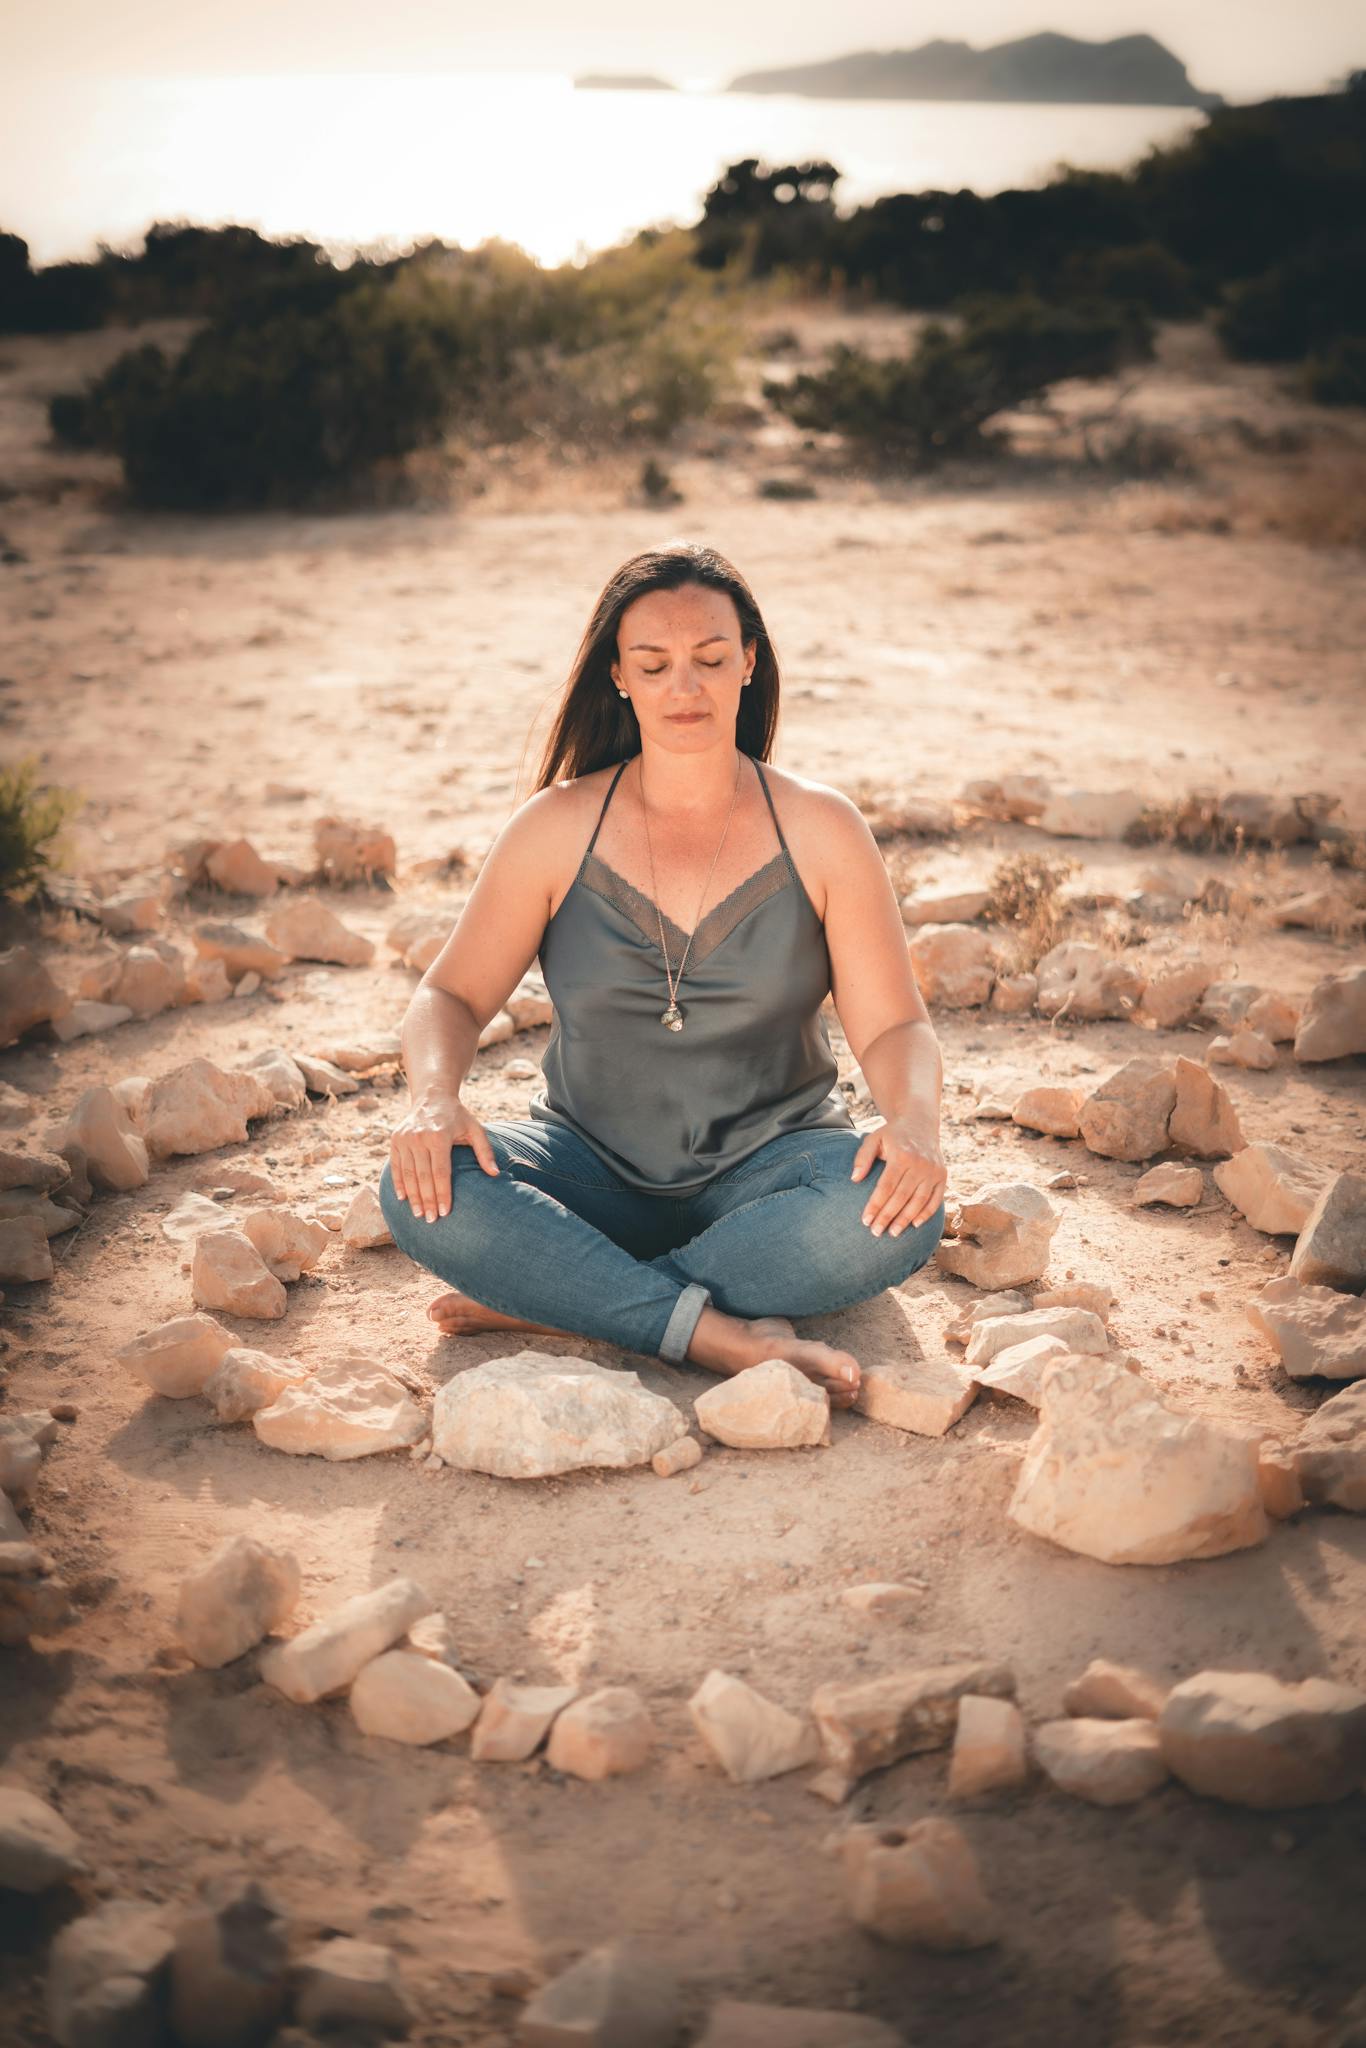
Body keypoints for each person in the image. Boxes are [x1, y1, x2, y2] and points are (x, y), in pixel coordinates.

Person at [379, 539, 947, 1410]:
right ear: (619, 676)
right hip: (587, 1169)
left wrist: (911, 1122)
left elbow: (893, 1027)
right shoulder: (556, 827)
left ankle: (572, 1299)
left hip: (775, 1171)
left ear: (749, 662)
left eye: (711, 659)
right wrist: (434, 1097)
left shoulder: (823, 827)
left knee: (887, 1207)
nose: (685, 687)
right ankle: (709, 1332)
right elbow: (447, 997)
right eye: (655, 664)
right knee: (422, 1188)